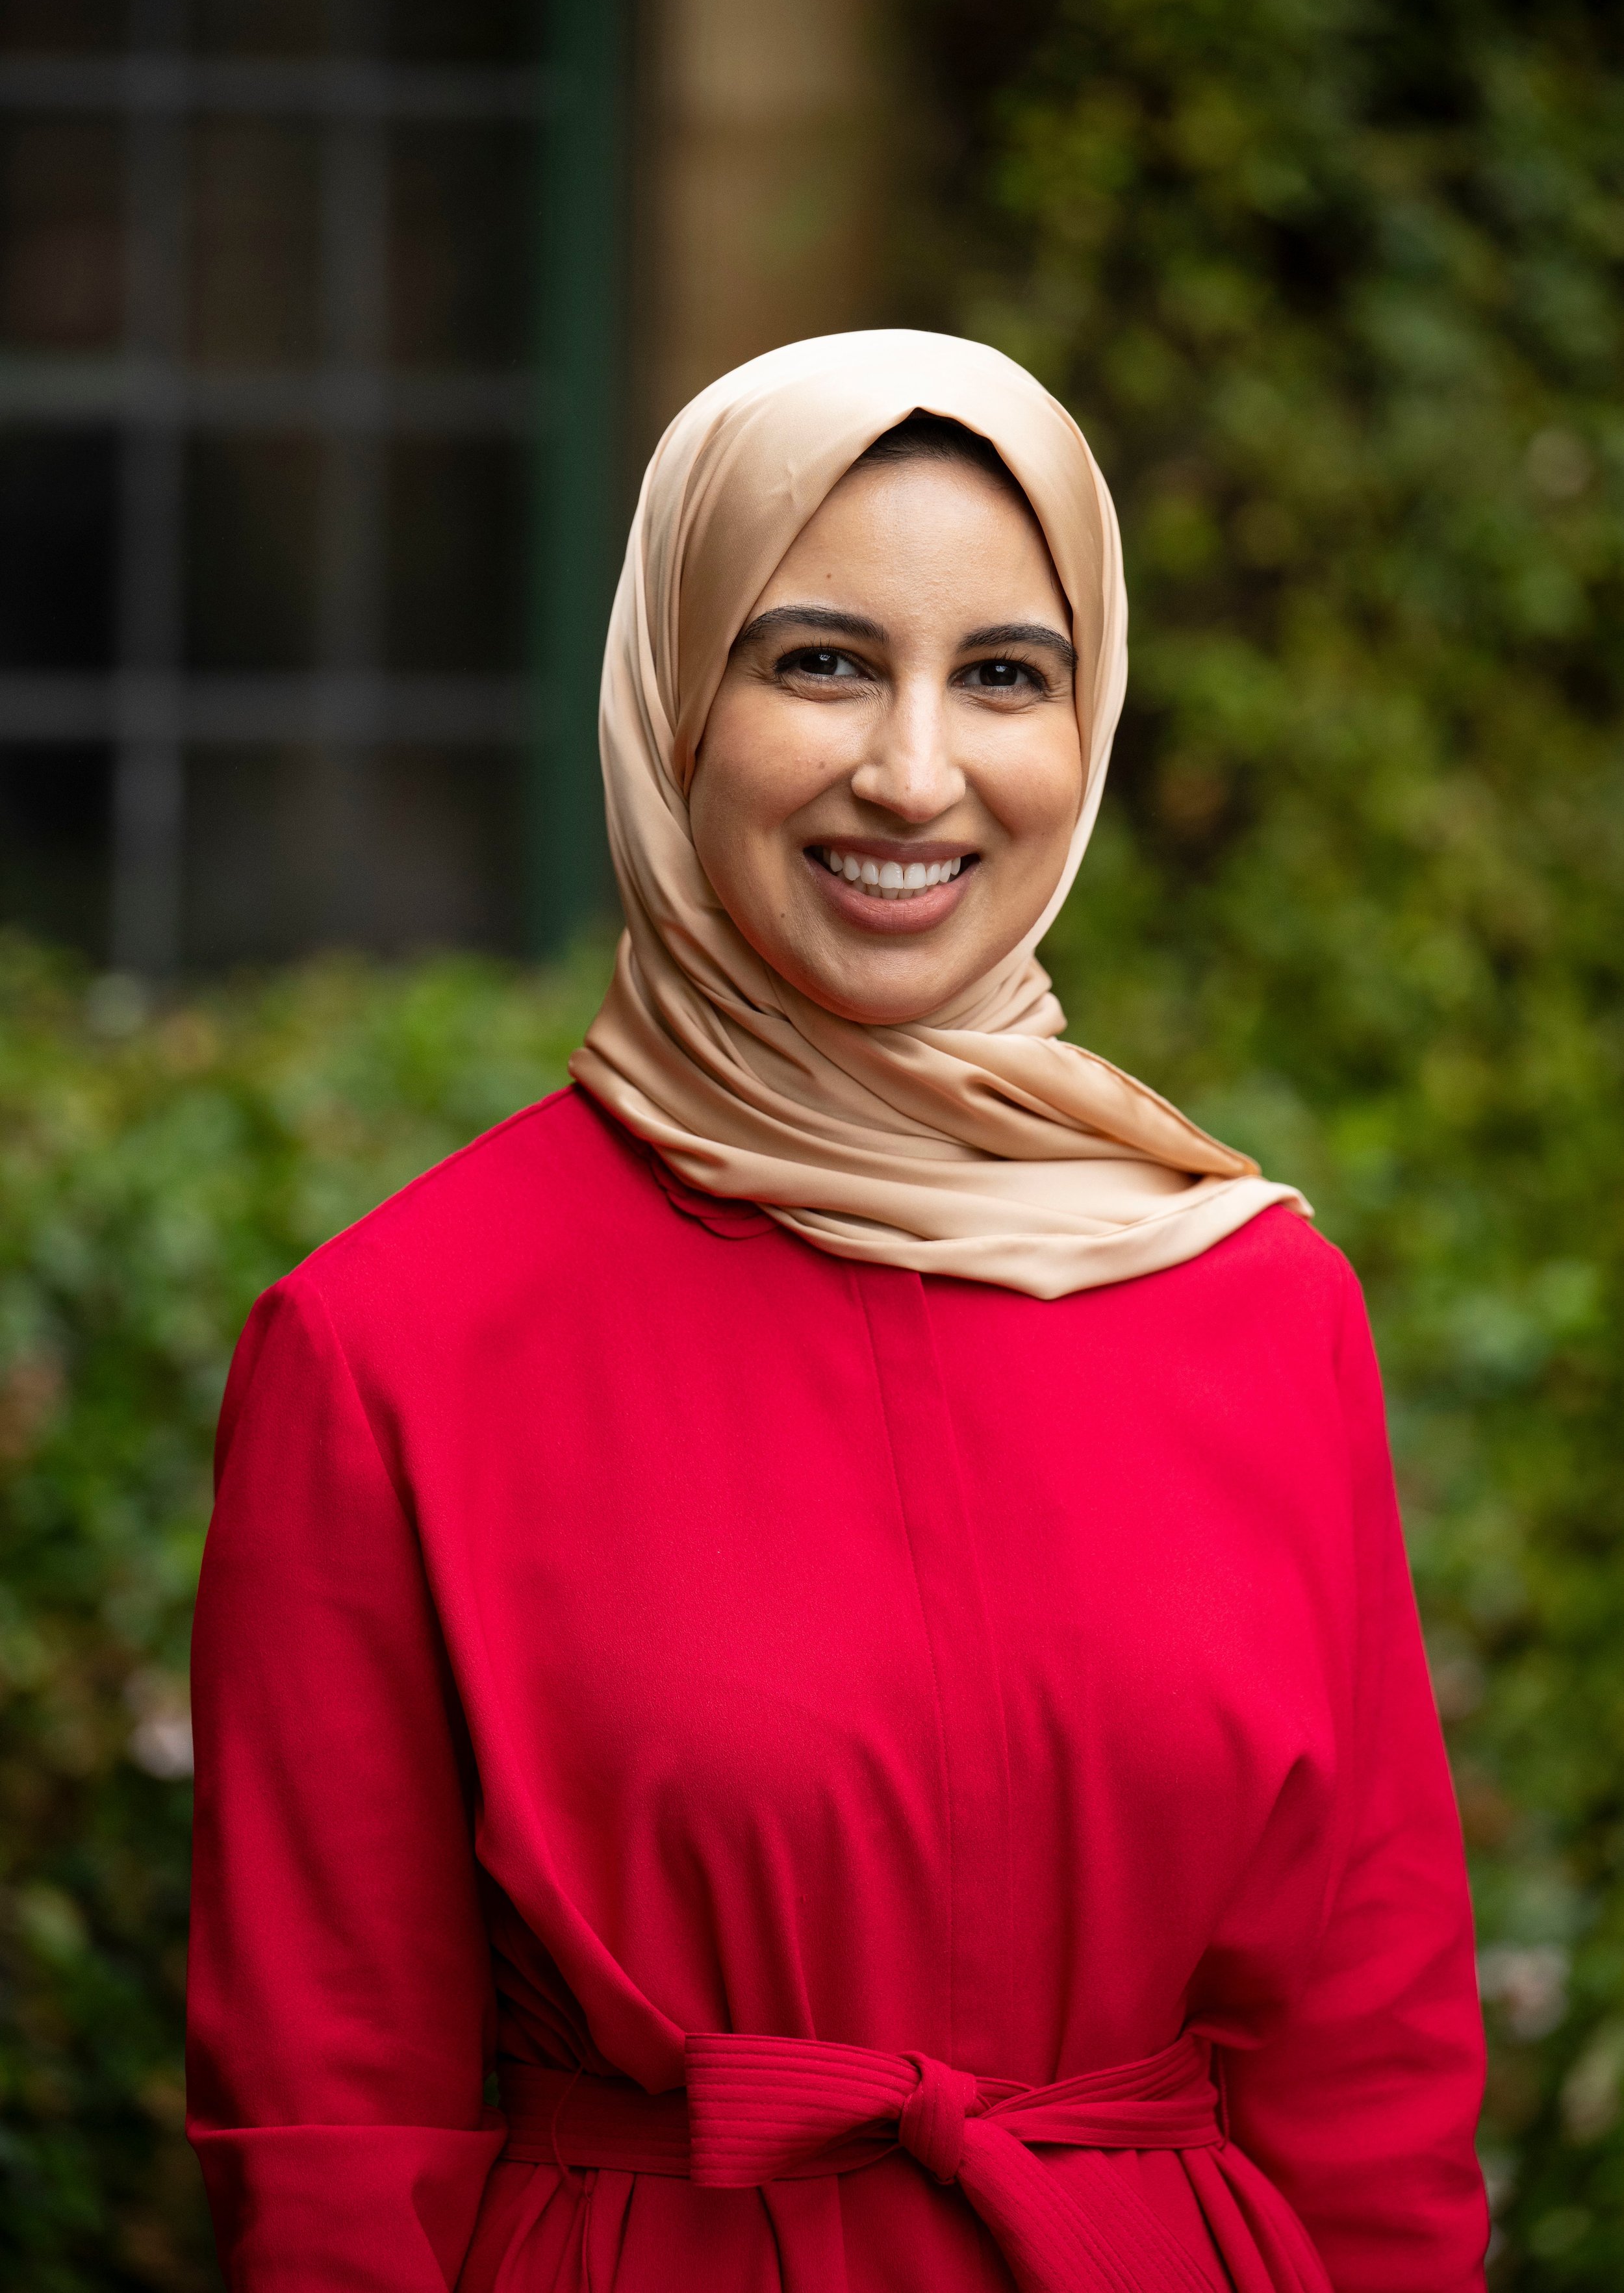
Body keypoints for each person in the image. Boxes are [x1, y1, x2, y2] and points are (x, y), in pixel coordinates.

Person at [186, 331, 1488, 2293]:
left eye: (1004, 675)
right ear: (671, 704)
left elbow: (1371, 2070)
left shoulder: (1261, 1302)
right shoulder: (389, 1347)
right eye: (819, 662)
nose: (914, 770)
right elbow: (331, 2136)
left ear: (1091, 723)